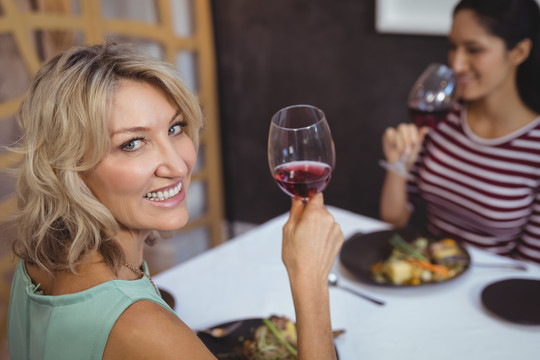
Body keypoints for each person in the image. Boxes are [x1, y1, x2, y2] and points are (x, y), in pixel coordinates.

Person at [7, 42, 344, 359]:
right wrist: (310, 281)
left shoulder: (37, 260)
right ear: (70, 168)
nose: (178, 165)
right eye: (133, 143)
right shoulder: (143, 328)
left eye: (175, 128)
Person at [380, 0, 540, 264]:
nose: (457, 63)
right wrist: (397, 164)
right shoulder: (442, 119)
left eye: (474, 50)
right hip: (430, 274)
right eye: (452, 47)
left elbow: (532, 267)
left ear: (519, 52)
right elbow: (394, 219)